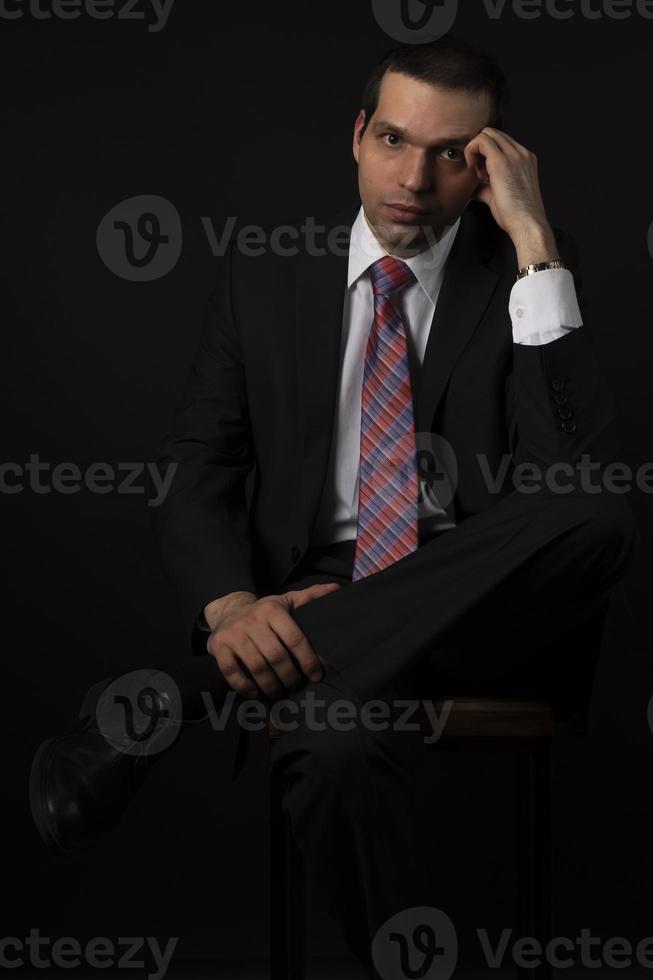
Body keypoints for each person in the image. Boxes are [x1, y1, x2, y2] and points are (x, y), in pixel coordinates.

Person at [30, 34, 639, 980]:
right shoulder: (264, 275)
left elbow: (575, 483)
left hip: (483, 598)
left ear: (489, 167)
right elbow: (195, 466)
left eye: (451, 154)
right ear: (356, 135)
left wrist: (533, 239)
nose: (413, 177)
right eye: (393, 139)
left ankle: (183, 697)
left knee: (598, 511)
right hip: (311, 591)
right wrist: (232, 608)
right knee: (331, 740)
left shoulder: (525, 273)